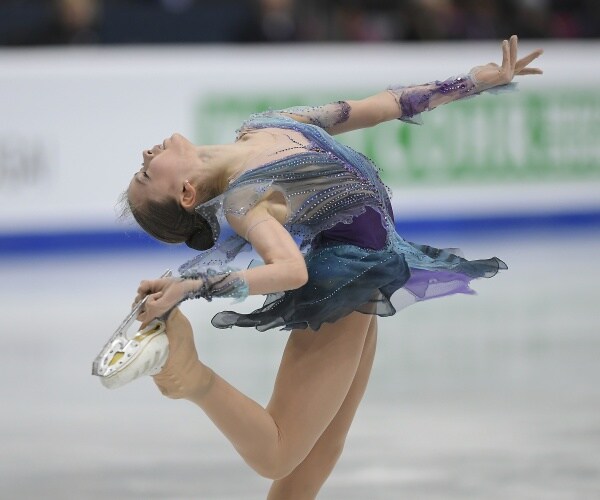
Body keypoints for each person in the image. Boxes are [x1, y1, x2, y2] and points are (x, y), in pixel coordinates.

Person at [118, 36, 542, 499]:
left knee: (322, 448)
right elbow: (291, 271)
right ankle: (192, 376)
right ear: (185, 195)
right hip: (341, 283)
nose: (144, 156)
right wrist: (195, 287)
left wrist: (474, 82)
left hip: (368, 272)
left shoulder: (264, 124)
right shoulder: (244, 196)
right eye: (145, 175)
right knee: (277, 454)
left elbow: (385, 105)